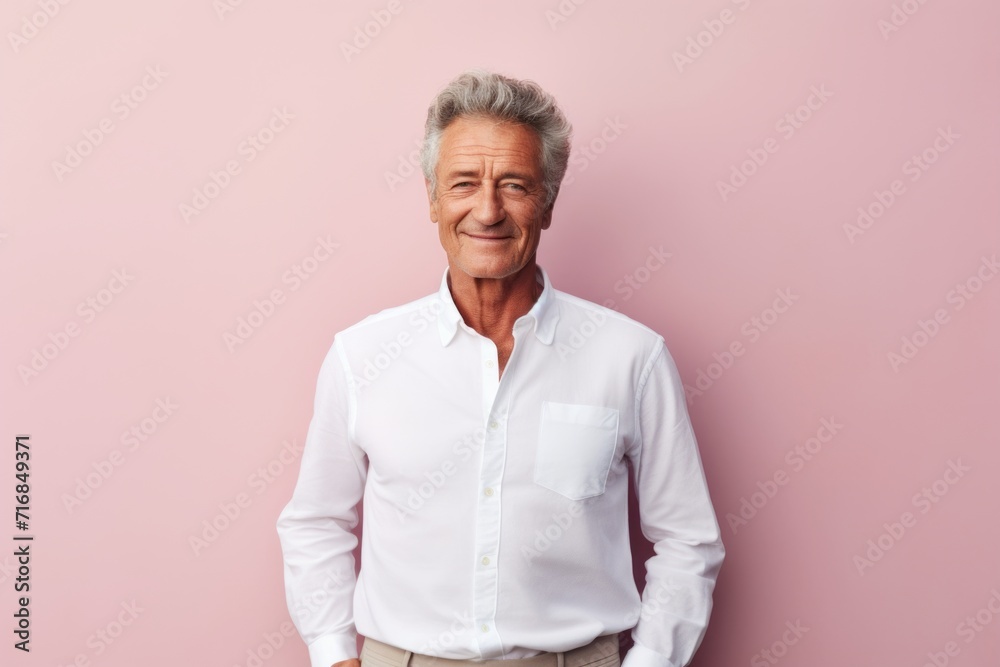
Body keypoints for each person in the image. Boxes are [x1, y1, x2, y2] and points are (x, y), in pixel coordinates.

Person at [276, 69, 725, 667]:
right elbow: (315, 522)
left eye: (514, 185)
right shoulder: (361, 356)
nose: (487, 211)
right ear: (433, 199)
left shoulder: (631, 357)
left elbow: (689, 540)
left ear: (548, 204)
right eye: (463, 183)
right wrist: (333, 654)